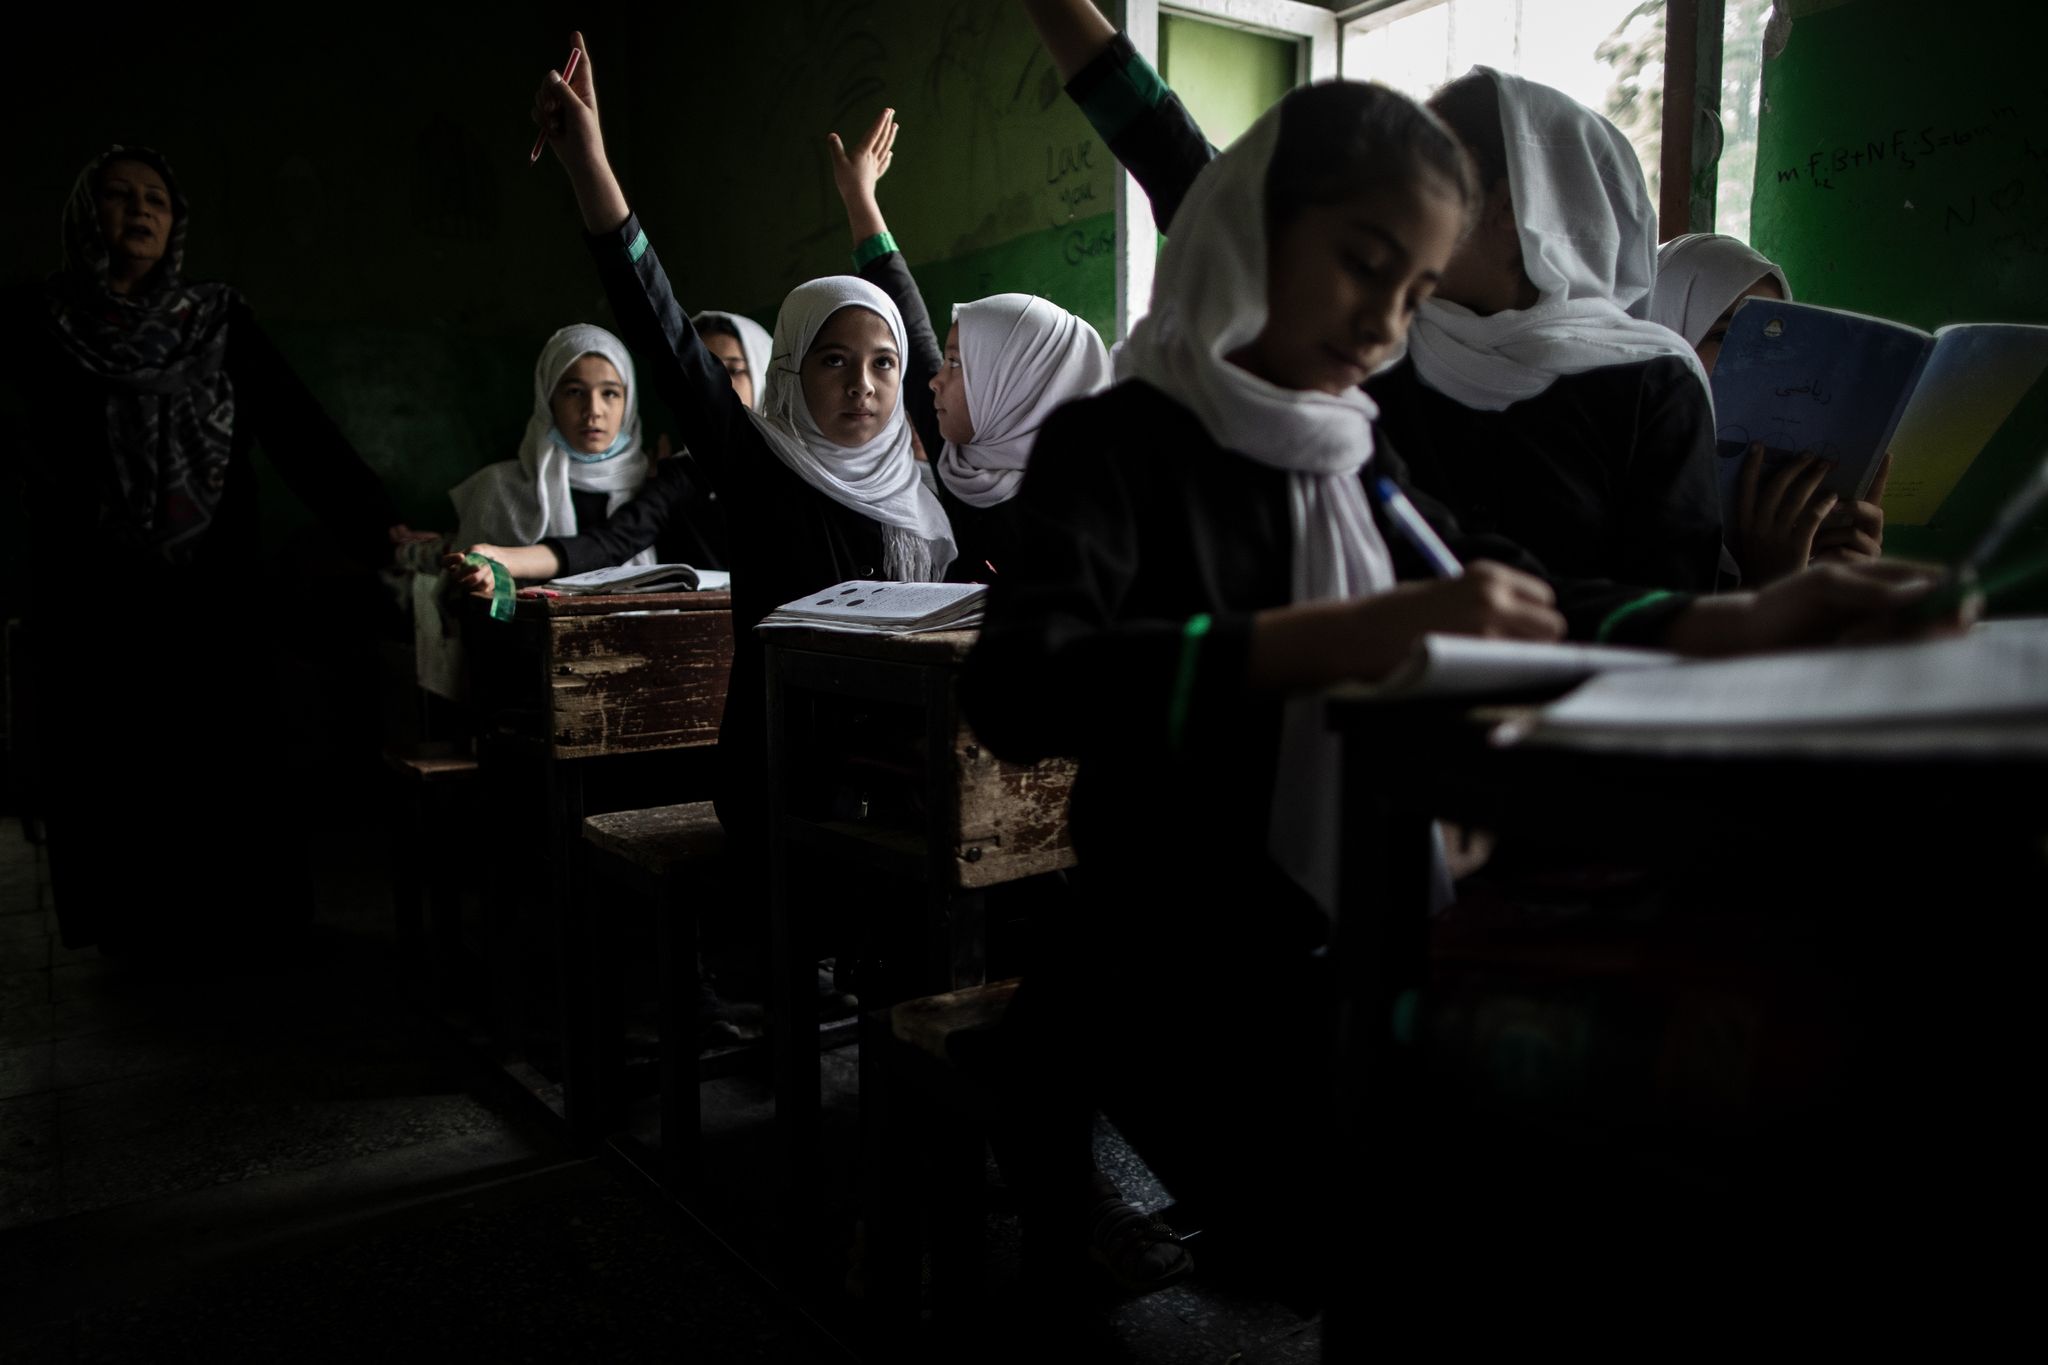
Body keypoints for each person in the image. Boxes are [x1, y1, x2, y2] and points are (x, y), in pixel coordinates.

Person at [961, 76, 1955, 1299]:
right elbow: (1018, 690)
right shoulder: (1116, 443)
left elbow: (1516, 591)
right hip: (1173, 935)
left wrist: (1728, 617)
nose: (1386, 325)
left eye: (1417, 292)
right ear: (1256, 227)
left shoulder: (1350, 450)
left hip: (1340, 924)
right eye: (1362, 263)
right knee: (1337, 1237)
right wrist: (1326, 637)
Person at [525, 33, 954, 840]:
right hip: (785, 788)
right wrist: (591, 164)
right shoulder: (762, 465)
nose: (863, 383)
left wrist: (865, 205)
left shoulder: (931, 485)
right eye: (834, 360)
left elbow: (922, 346)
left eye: (880, 364)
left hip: (901, 787)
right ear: (790, 369)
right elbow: (662, 334)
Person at [4, 145, 413, 953]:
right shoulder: (38, 325)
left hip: (211, 580)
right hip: (95, 588)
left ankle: (245, 928)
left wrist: (379, 526)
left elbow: (302, 432)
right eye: (118, 197)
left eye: (156, 198)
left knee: (223, 754)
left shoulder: (217, 320)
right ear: (86, 217)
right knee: (114, 760)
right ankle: (134, 933)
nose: (140, 210)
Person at [827, 107, 1113, 577]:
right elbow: (912, 328)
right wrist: (859, 195)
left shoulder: (1089, 513)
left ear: (1015, 387)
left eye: (957, 364)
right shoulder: (960, 455)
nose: (935, 381)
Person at [1650, 232, 1888, 578]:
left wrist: (1840, 572)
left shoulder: (1782, 471)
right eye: (1723, 335)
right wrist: (1770, 586)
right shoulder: (1627, 485)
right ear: (1663, 331)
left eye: (1774, 337)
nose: (1760, 360)